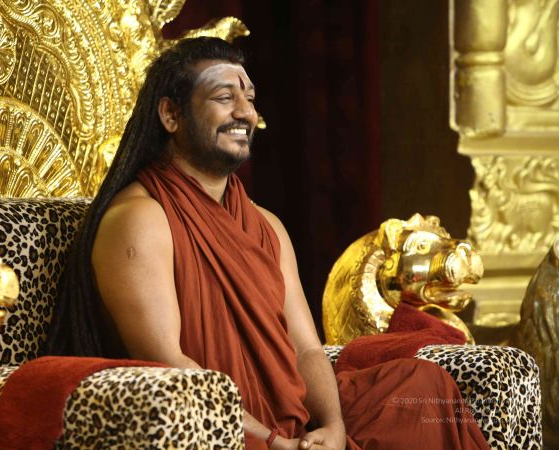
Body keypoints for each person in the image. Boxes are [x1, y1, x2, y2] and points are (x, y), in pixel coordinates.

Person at [46, 37, 490, 450]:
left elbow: (306, 349)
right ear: (171, 115)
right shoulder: (141, 219)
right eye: (224, 98)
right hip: (211, 429)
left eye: (250, 98)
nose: (245, 113)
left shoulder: (266, 225)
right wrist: (271, 440)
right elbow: (169, 365)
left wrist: (332, 428)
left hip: (290, 423)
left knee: (424, 388)